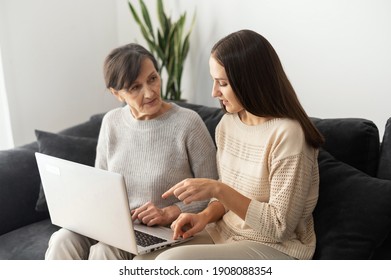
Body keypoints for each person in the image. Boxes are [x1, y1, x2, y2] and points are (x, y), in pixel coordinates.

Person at [153, 29, 325, 260]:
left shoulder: (288, 135)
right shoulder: (228, 124)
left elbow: (279, 227)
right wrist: (204, 216)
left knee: (168, 262)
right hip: (223, 234)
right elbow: (228, 198)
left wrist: (217, 189)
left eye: (222, 83)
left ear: (249, 82)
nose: (214, 92)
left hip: (275, 248)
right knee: (143, 258)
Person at [44, 43, 218, 260]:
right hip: (116, 224)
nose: (149, 92)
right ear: (116, 94)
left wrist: (169, 212)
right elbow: (100, 185)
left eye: (152, 79)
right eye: (135, 87)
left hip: (163, 229)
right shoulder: (111, 122)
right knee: (62, 240)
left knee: (104, 251)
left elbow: (214, 191)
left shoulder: (188, 123)